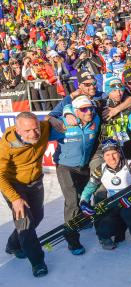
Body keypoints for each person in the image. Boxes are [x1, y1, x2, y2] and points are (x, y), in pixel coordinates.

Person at [0, 112, 51, 277]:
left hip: (35, 181)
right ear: (18, 129)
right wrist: (15, 199)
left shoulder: (43, 128)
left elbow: (50, 118)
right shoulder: (7, 145)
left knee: (37, 217)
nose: (34, 134)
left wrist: (54, 118)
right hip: (14, 185)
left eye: (36, 128)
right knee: (26, 223)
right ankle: (38, 262)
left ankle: (13, 244)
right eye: (27, 131)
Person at [48, 95, 100, 256]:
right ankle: (72, 239)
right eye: (84, 109)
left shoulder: (95, 120)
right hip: (65, 167)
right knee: (72, 202)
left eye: (90, 108)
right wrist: (54, 118)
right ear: (76, 112)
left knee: (83, 195)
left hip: (83, 165)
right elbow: (39, 136)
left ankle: (82, 220)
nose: (89, 111)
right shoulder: (62, 125)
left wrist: (69, 110)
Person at [80, 140, 131, 250]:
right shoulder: (100, 170)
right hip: (115, 205)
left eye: (114, 153)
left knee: (128, 213)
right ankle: (120, 231)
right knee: (103, 231)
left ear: (119, 153)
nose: (111, 158)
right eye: (107, 155)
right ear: (103, 156)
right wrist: (83, 202)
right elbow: (87, 190)